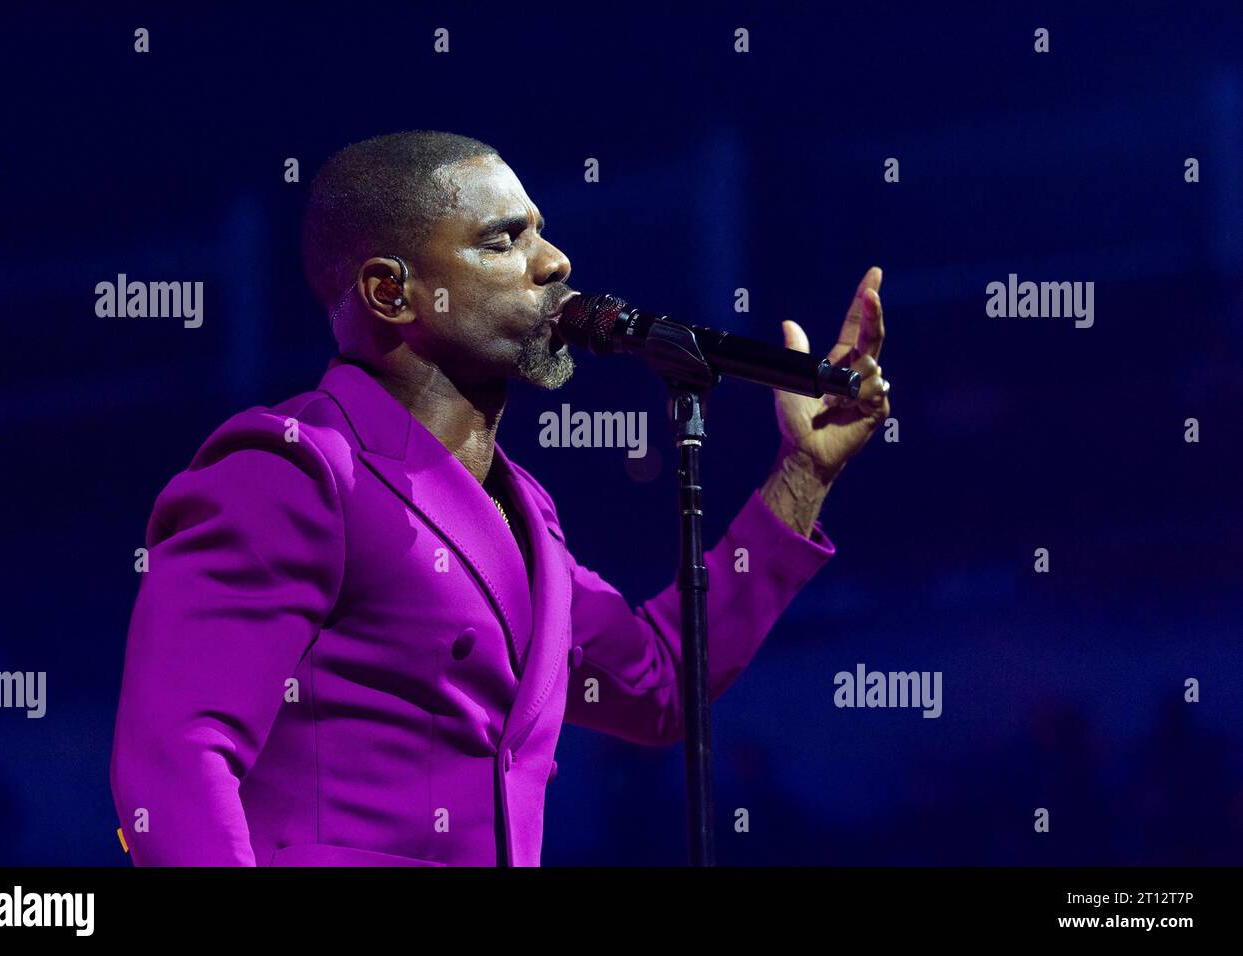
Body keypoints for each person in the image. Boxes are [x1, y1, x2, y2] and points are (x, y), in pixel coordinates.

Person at [108, 130, 890, 866]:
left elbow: (660, 683)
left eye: (540, 234)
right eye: (503, 240)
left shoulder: (526, 516)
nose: (553, 263)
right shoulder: (294, 470)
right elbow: (176, 756)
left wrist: (804, 476)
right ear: (391, 293)